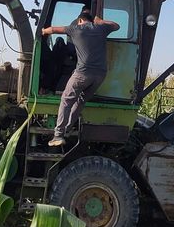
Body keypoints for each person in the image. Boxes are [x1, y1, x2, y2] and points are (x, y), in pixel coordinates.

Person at [41, 8, 120, 146]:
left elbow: (53, 29)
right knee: (81, 100)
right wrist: (101, 21)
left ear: (80, 20)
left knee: (66, 100)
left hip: (82, 73)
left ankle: (58, 135)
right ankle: (67, 129)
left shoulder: (75, 29)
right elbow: (116, 25)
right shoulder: (101, 28)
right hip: (100, 75)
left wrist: (43, 31)